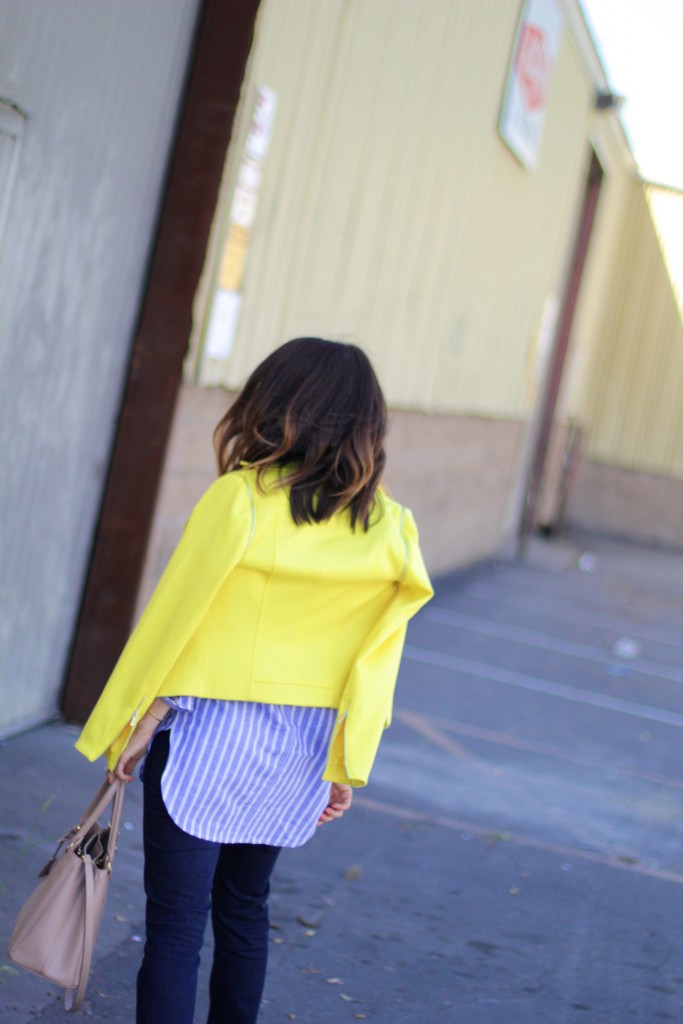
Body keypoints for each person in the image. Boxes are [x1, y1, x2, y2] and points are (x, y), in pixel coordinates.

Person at [76, 337, 433, 1024]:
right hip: (296, 748)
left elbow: (179, 621)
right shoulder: (390, 529)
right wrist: (344, 763)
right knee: (244, 910)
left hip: (208, 736)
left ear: (276, 407)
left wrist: (138, 720)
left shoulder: (240, 499)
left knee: (176, 926)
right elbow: (374, 659)